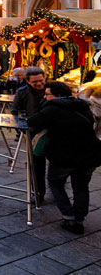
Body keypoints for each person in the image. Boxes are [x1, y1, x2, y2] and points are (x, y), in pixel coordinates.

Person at [28, 82, 101, 234]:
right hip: (89, 154)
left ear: (57, 95)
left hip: (64, 155)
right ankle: (79, 220)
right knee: (81, 187)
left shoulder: (52, 108)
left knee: (55, 182)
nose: (45, 97)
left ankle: (69, 216)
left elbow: (32, 122)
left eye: (47, 94)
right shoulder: (82, 105)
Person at [11, 66, 48, 204]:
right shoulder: (22, 92)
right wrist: (24, 126)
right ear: (27, 81)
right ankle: (38, 194)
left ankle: (57, 190)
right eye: (35, 82)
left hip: (54, 131)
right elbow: (15, 111)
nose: (39, 84)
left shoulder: (52, 89)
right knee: (37, 165)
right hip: (33, 133)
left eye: (41, 80)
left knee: (57, 166)